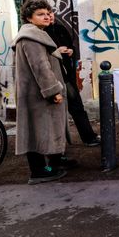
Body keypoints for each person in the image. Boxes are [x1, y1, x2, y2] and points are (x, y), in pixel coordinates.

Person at [12, 0, 76, 185]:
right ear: (29, 18)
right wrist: (52, 91)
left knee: (40, 130)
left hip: (35, 93)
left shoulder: (36, 34)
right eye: (40, 14)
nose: (47, 16)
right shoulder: (31, 38)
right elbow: (40, 67)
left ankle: (51, 165)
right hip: (39, 95)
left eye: (48, 13)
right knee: (36, 132)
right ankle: (40, 171)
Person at [45, 11, 100, 147]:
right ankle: (55, 147)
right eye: (44, 14)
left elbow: (71, 45)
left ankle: (89, 137)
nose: (49, 16)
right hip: (51, 76)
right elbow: (43, 55)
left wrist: (71, 51)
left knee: (76, 106)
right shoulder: (41, 34)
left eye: (50, 13)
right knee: (53, 112)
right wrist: (58, 51)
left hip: (67, 75)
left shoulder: (60, 28)